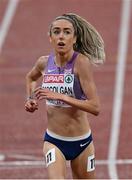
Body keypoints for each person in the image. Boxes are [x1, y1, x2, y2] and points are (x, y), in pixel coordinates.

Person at [25, 13, 105, 179]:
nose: (61, 36)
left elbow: (95, 107)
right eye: (56, 31)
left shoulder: (81, 63)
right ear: (50, 38)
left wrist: (61, 96)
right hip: (54, 140)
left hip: (82, 142)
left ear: (74, 38)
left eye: (67, 32)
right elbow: (31, 77)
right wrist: (30, 98)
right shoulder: (43, 63)